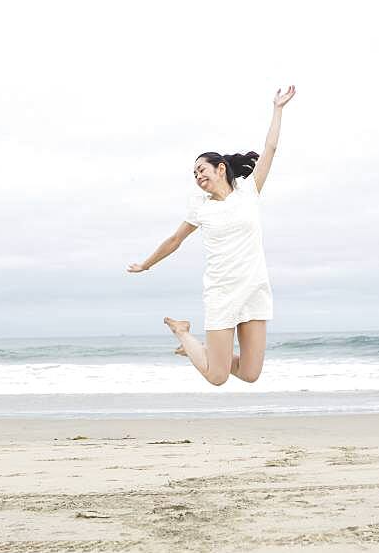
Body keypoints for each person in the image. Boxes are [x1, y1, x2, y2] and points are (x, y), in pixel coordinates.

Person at [127, 85, 296, 385]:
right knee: (217, 376)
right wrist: (146, 264)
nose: (198, 176)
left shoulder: (249, 191)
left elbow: (269, 149)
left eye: (201, 169)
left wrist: (277, 109)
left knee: (250, 373)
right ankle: (181, 331)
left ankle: (200, 349)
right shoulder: (200, 208)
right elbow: (174, 240)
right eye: (194, 174)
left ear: (220, 169)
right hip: (221, 292)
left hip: (254, 288)